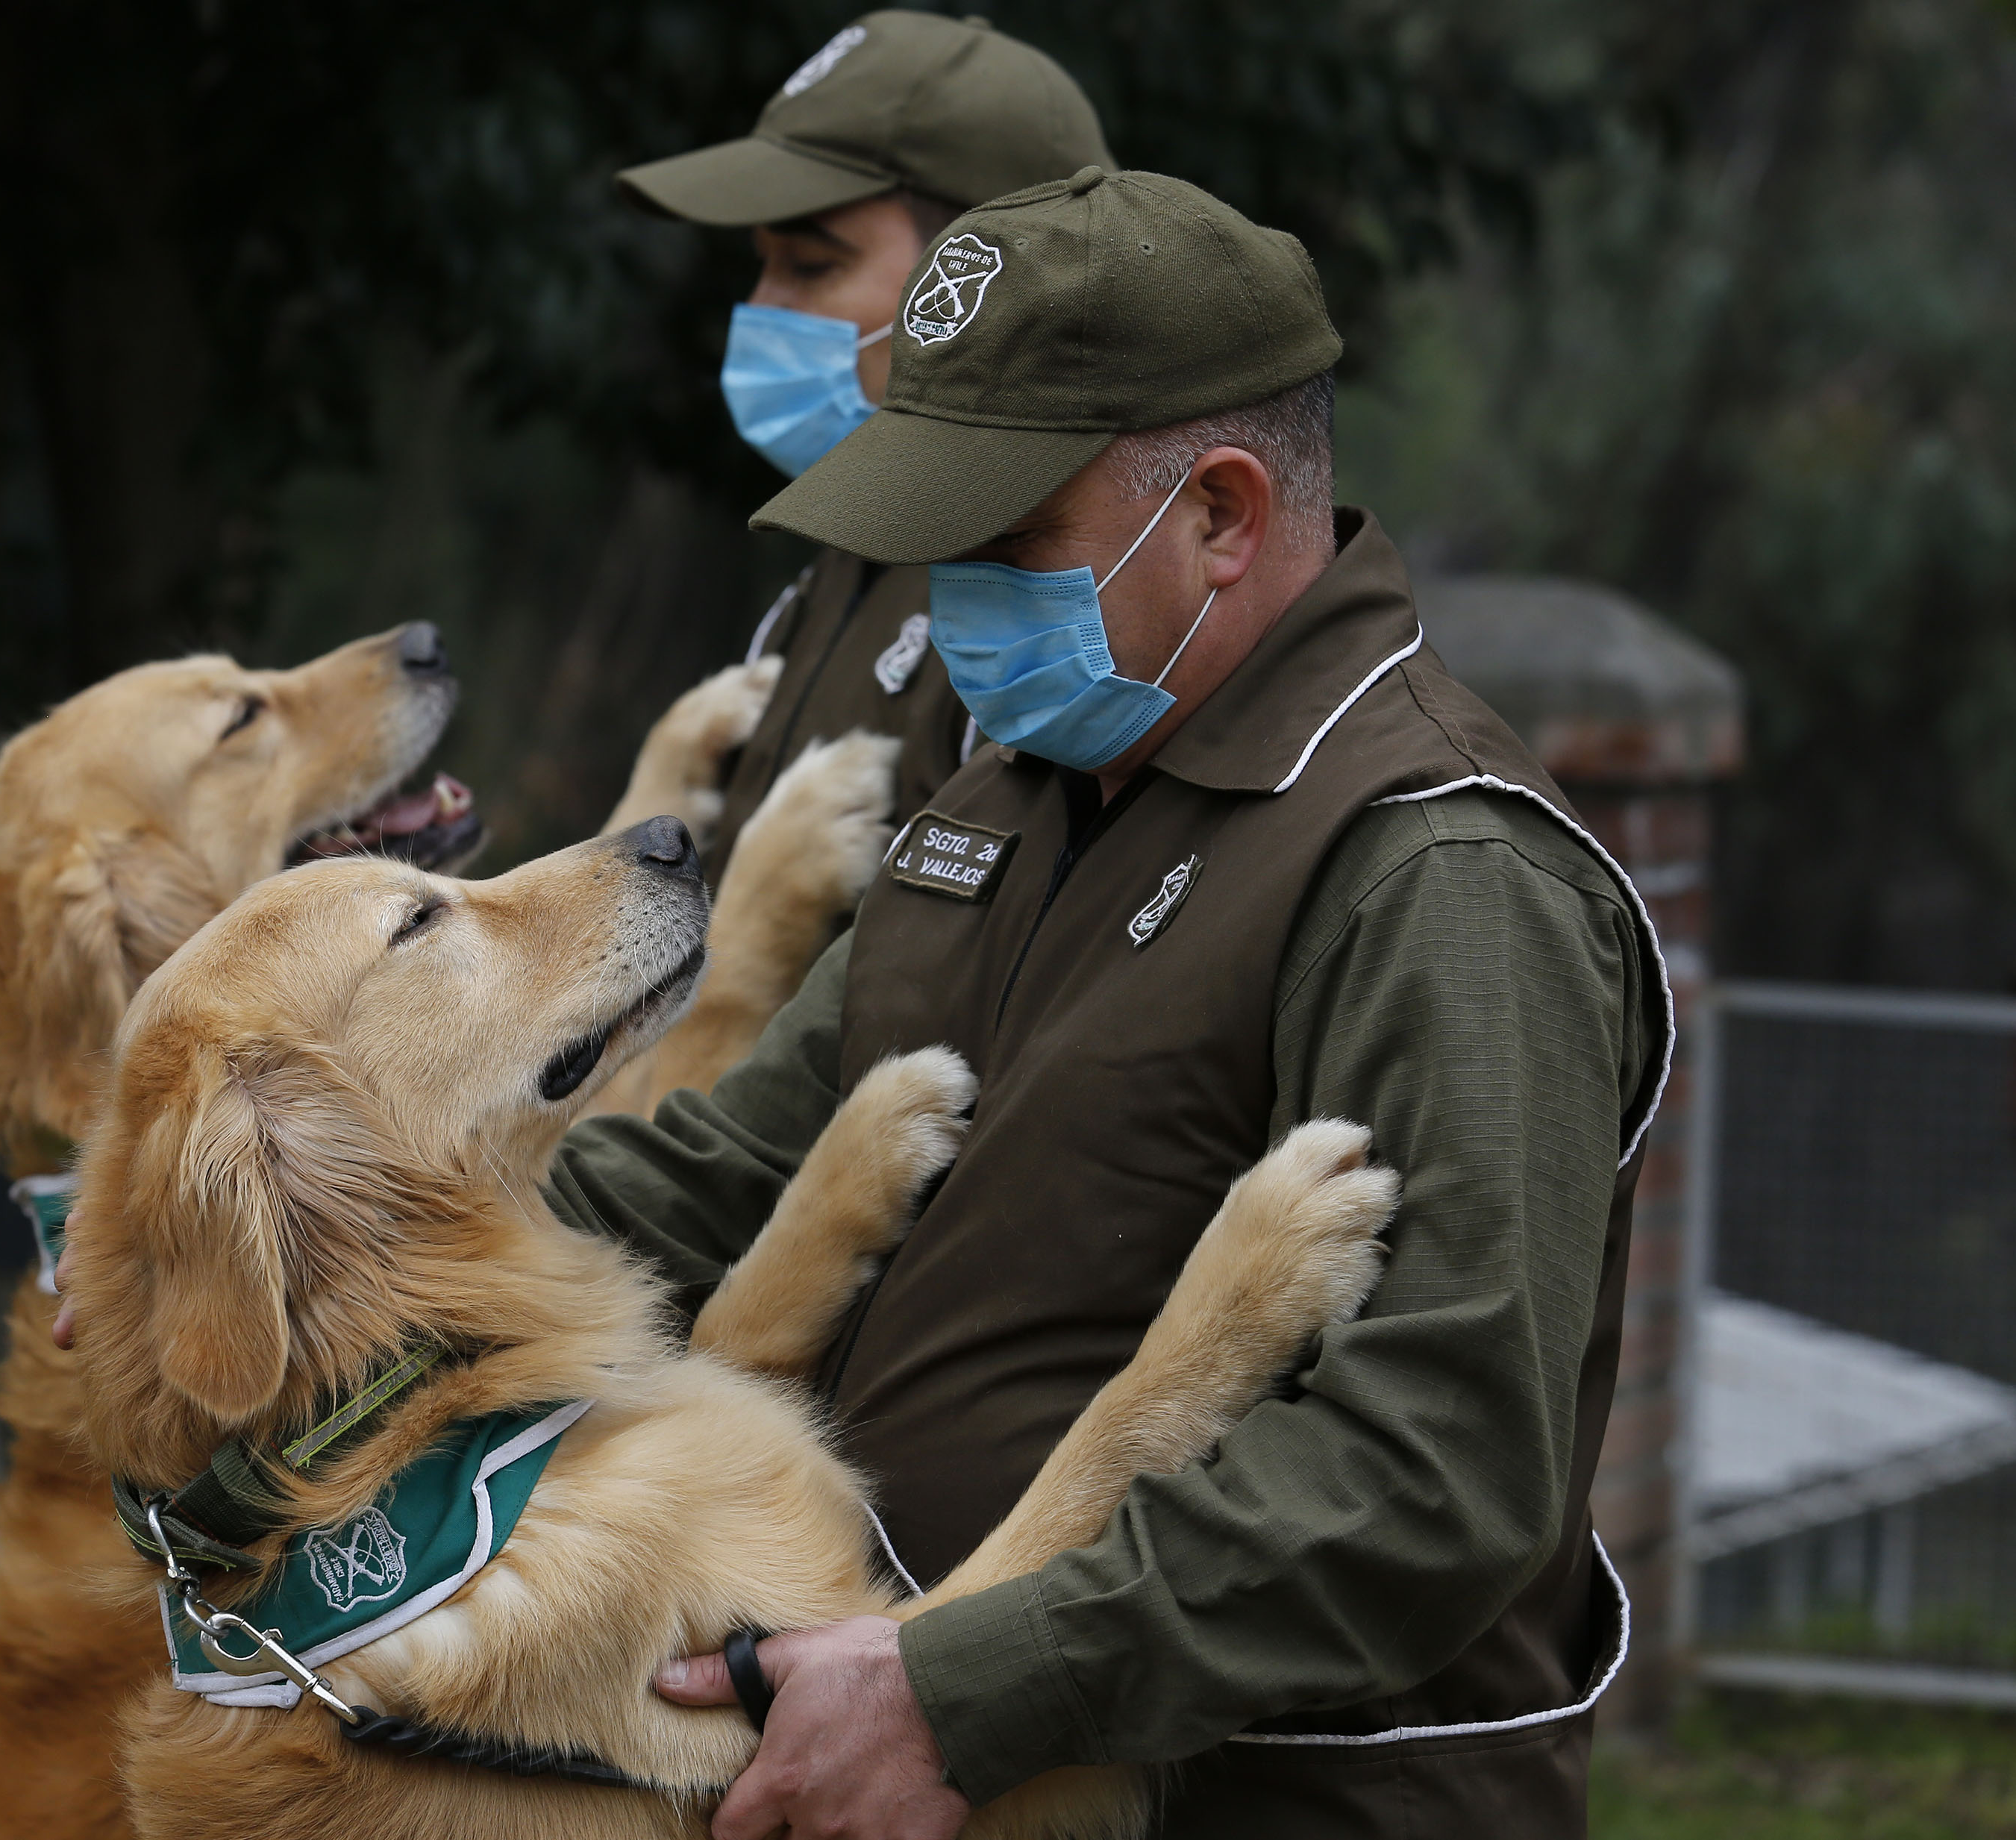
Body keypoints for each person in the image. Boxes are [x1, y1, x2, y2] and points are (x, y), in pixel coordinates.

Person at [548, 167, 1671, 1838]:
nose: (945, 609)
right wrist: (345, 1255)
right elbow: (728, 1166)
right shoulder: (1011, 789)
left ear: (1218, 513)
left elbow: (1430, 1472)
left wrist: (964, 1690)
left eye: (1002, 546)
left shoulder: (1435, 873)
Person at [616, 11, 1111, 889]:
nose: (761, 308)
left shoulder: (1061, 617)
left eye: (810, 266)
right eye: (761, 264)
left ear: (982, 282)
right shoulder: (836, 572)